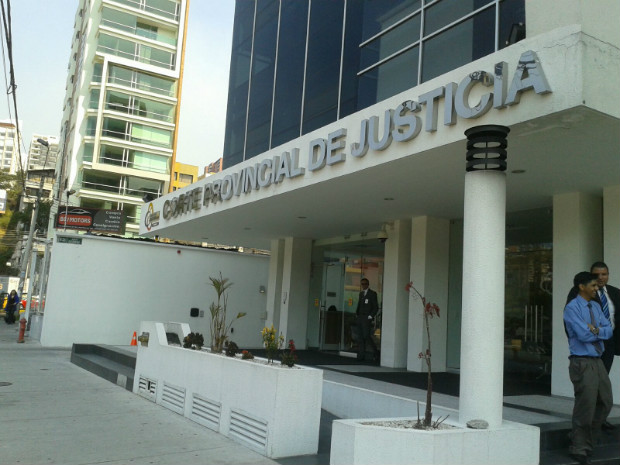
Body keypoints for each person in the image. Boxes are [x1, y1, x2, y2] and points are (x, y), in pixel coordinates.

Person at [564, 271, 613, 465]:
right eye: (593, 285)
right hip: (582, 362)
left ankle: (581, 437)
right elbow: (583, 335)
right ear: (581, 287)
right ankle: (579, 447)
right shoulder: (572, 308)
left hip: (597, 361)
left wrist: (595, 329)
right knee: (586, 406)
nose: (596, 288)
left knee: (605, 402)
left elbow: (609, 330)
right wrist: (597, 331)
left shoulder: (596, 306)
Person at [566, 261, 619, 430]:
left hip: (608, 344)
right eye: (597, 275)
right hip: (585, 347)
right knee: (587, 388)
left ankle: (598, 420)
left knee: (603, 388)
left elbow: (610, 326)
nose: (601, 278)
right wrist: (585, 336)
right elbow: (576, 326)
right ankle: (584, 427)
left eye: (604, 274)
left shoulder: (615, 293)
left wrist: (598, 330)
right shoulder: (579, 294)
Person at [355, 278, 379, 361]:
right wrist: (357, 314)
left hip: (366, 317)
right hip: (360, 317)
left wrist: (370, 316)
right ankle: (361, 355)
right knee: (360, 337)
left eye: (365, 284)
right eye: (362, 284)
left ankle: (375, 352)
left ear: (368, 284)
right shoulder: (361, 294)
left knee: (366, 335)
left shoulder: (372, 294)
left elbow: (375, 307)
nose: (363, 285)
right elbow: (359, 304)